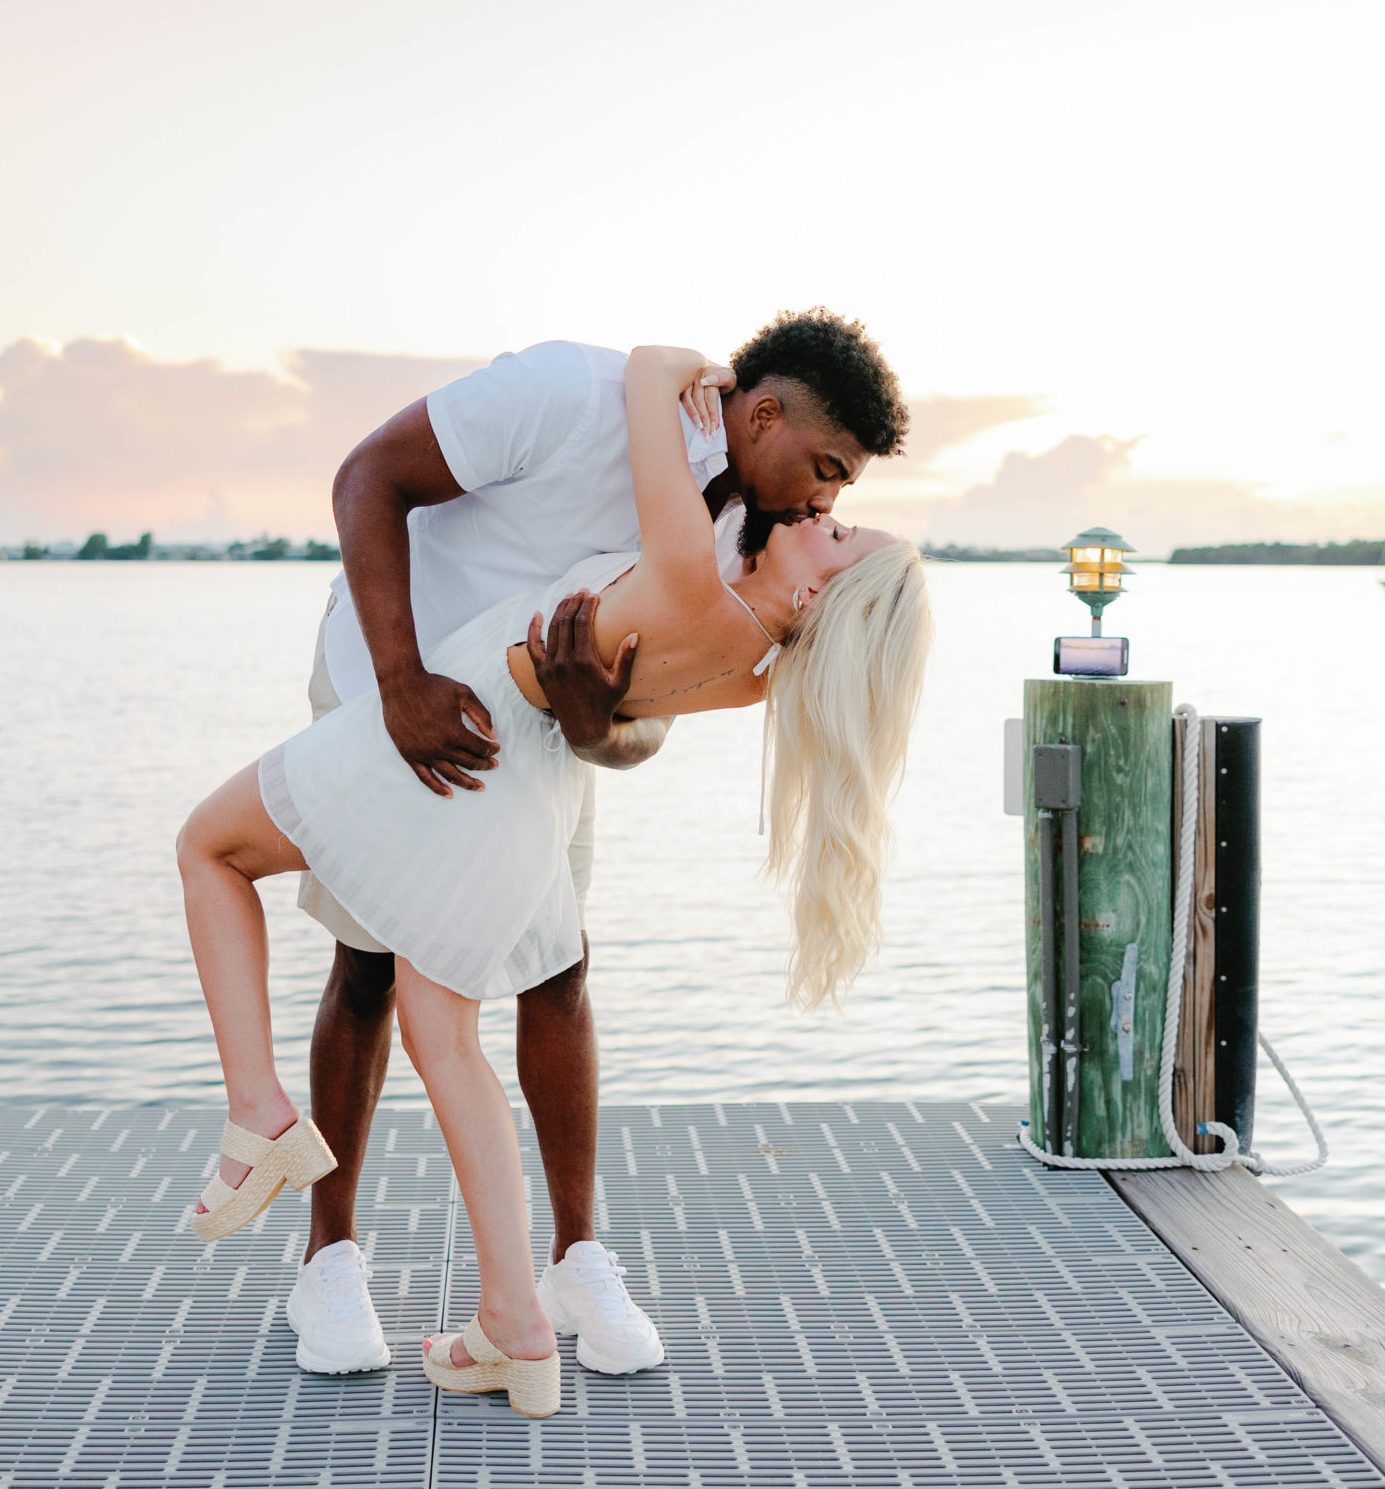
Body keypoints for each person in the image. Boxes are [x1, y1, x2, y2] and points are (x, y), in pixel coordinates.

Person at [174, 342, 934, 1418]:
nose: (827, 501)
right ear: (761, 417)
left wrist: (589, 718)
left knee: (239, 861)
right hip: (395, 688)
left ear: (816, 592)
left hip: (516, 745)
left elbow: (629, 719)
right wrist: (399, 683)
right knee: (393, 990)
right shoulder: (588, 417)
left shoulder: (722, 549)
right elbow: (367, 478)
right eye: (830, 474)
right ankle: (417, 1291)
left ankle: (302, 1142)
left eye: (840, 510)